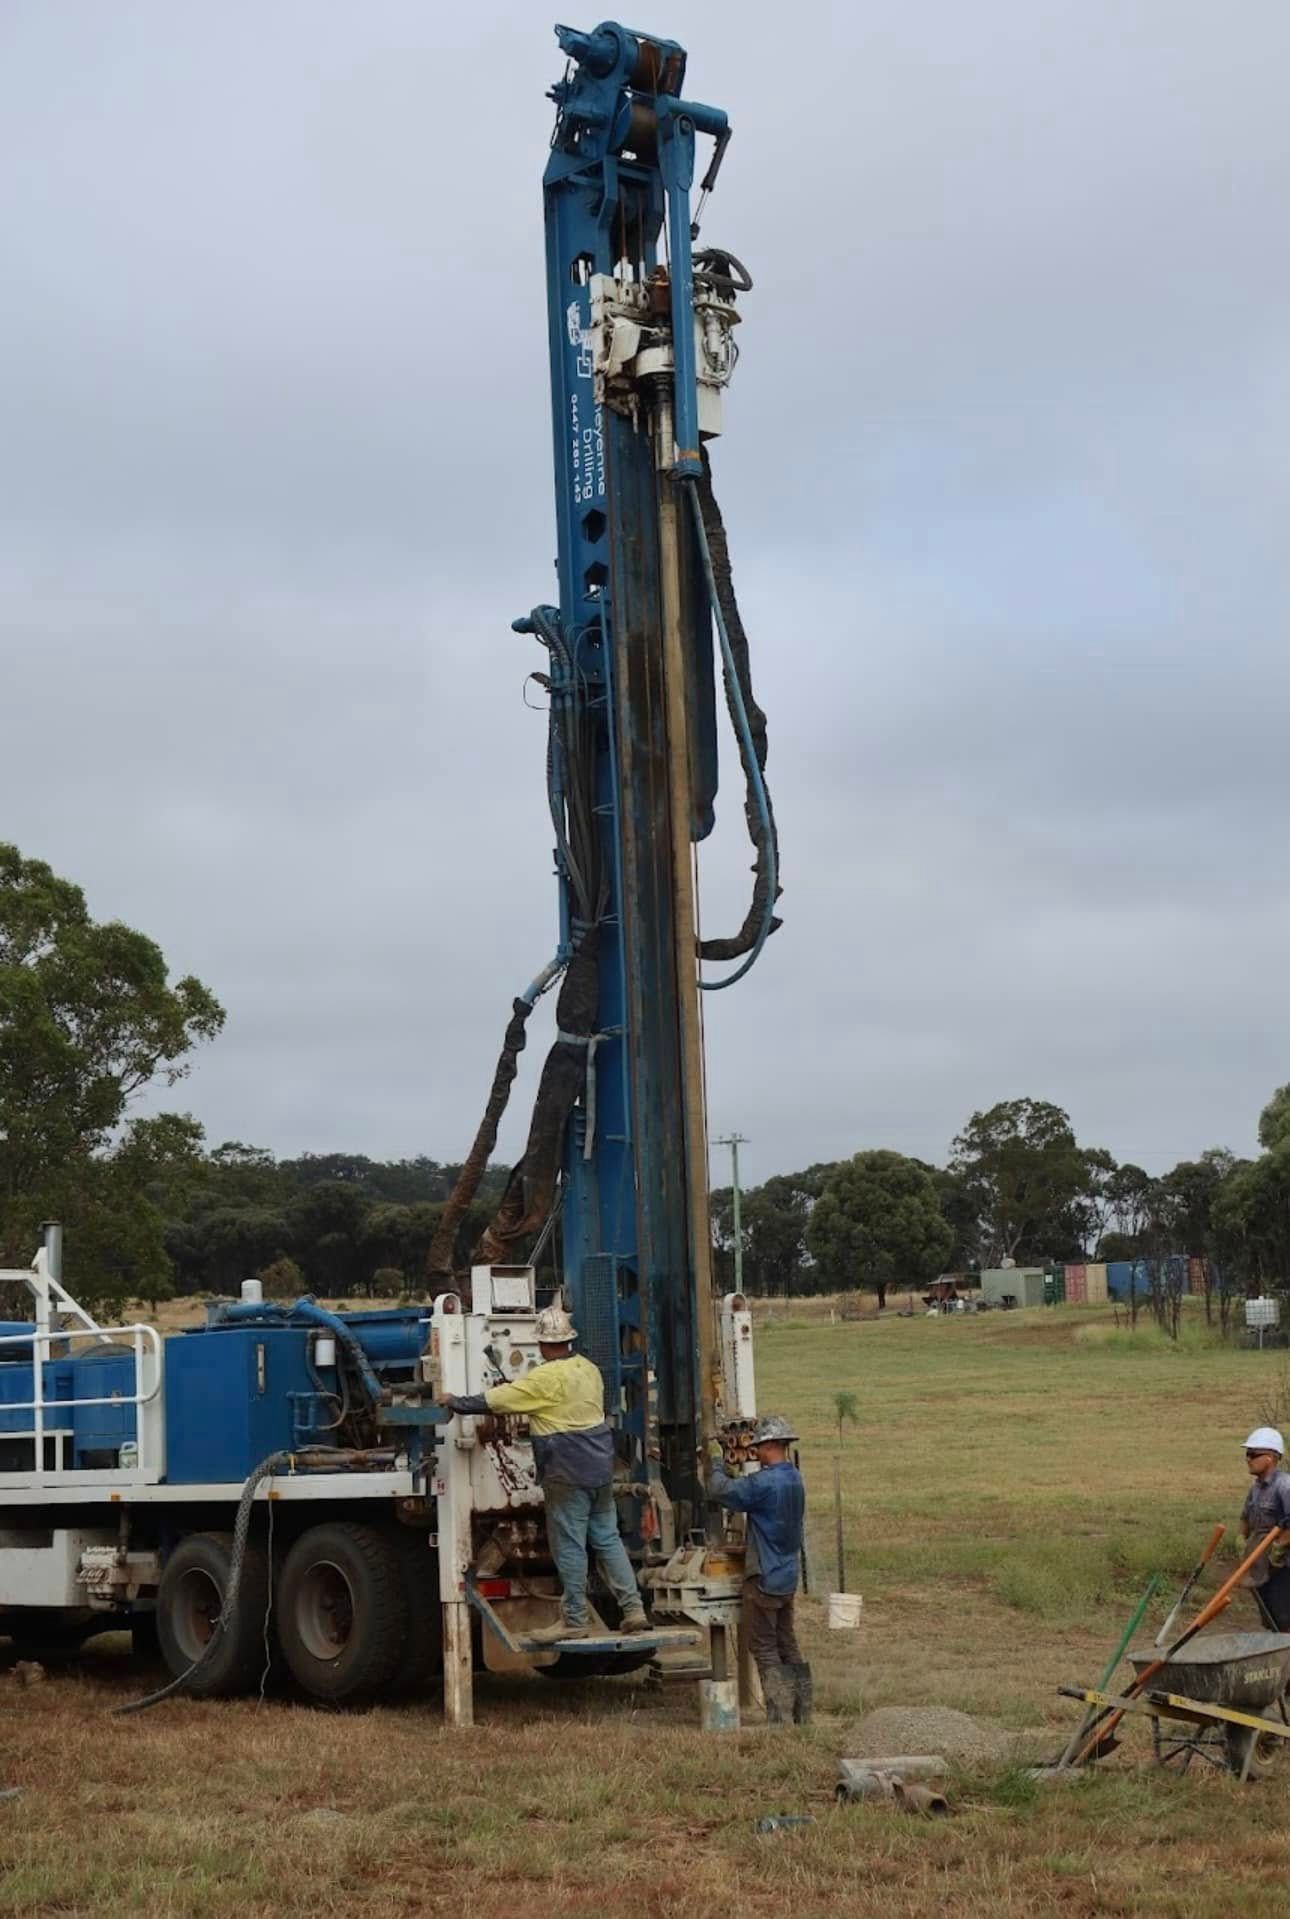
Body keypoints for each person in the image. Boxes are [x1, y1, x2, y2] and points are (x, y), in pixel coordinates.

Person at [443, 1303, 649, 1643]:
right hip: (600, 1468)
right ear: (569, 1339)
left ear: (541, 1344)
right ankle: (634, 1610)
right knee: (607, 1538)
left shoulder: (543, 1379)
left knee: (569, 1543)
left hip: (566, 1471)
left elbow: (498, 1400)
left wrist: (456, 1401)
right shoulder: (589, 1370)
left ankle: (574, 1619)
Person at [708, 1413, 810, 1725]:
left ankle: (778, 1719)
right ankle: (802, 1715)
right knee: (787, 1642)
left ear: (766, 1447)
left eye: (757, 1446)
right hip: (787, 1575)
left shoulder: (764, 1483)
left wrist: (714, 1463)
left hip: (764, 1577)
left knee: (764, 1646)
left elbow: (722, 1490)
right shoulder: (794, 1478)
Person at [1240, 1426, 1290, 1628]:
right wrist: (1241, 1539)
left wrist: (1279, 1547)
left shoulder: (1285, 1486)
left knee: (1284, 1617)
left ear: (1270, 1457)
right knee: (1270, 1619)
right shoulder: (1256, 1489)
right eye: (1247, 1454)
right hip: (1261, 1565)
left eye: (1253, 1454)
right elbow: (1244, 1517)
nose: (1248, 1459)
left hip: (1283, 1566)